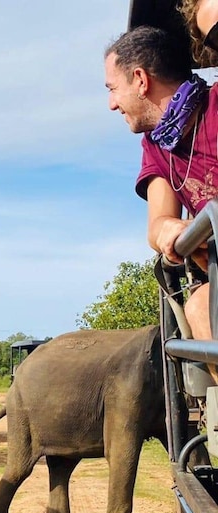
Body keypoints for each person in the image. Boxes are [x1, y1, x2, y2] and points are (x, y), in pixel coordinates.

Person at [104, 25, 218, 382]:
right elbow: (158, 223)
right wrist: (170, 229)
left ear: (140, 79)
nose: (111, 104)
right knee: (200, 305)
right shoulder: (156, 145)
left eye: (112, 89)